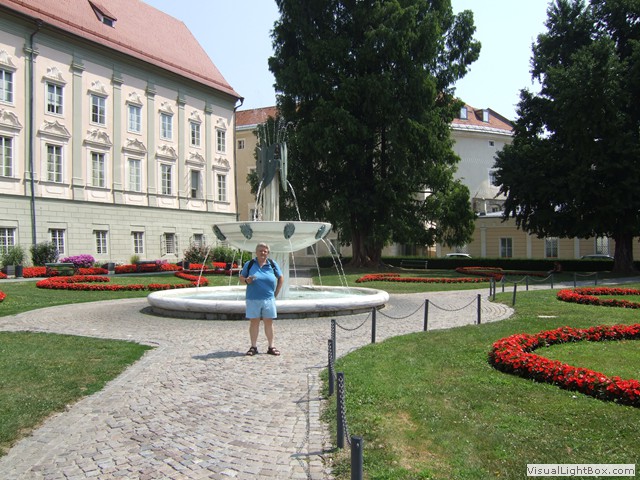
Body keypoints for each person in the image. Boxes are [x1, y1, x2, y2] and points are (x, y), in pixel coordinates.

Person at [239, 242, 284, 356]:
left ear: (268, 253)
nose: (263, 253)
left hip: (268, 299)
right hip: (253, 298)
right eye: (260, 251)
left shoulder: (272, 264)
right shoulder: (249, 264)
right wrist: (246, 281)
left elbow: (281, 278)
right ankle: (253, 346)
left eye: (265, 251)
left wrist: (276, 293)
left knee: (269, 322)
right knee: (254, 322)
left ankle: (271, 346)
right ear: (256, 252)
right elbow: (241, 278)